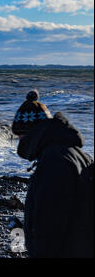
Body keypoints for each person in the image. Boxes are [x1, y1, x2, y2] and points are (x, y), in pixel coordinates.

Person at [12, 90, 94, 258]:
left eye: (20, 136)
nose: (19, 142)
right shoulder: (78, 155)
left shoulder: (54, 162)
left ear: (31, 133)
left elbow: (50, 225)